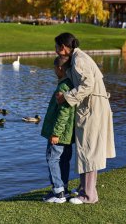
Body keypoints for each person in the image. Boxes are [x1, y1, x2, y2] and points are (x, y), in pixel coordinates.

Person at [55, 32, 116, 204]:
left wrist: (66, 97)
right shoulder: (78, 58)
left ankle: (89, 195)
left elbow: (87, 85)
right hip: (93, 107)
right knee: (86, 148)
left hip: (92, 109)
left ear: (63, 47)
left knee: (89, 149)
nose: (55, 51)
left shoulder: (79, 60)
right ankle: (84, 189)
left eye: (56, 47)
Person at [41, 55, 75, 203]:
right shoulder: (71, 84)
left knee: (52, 159)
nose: (54, 71)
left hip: (60, 133)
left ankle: (58, 192)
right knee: (64, 160)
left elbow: (63, 113)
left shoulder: (63, 87)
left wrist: (55, 133)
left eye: (55, 68)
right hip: (68, 134)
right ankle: (64, 189)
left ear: (60, 68)